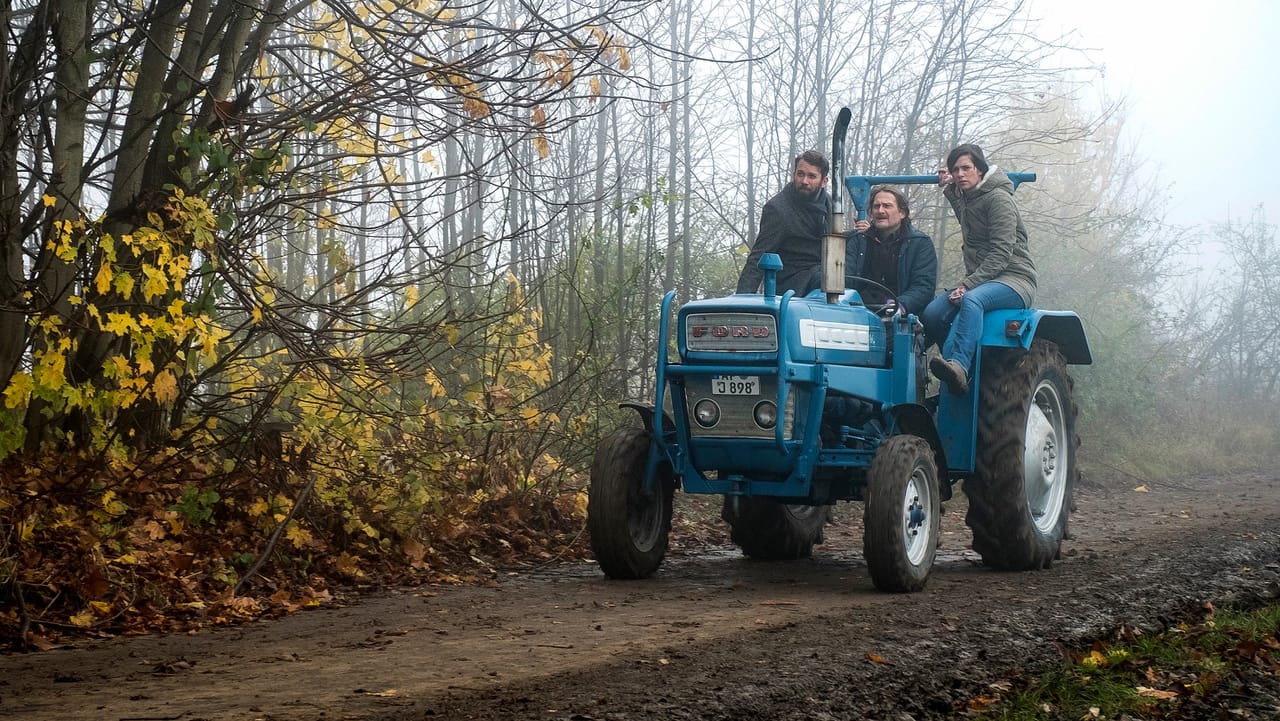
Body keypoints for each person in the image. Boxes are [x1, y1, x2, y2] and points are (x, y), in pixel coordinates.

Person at [922, 144, 1037, 395]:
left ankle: (961, 366)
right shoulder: (972, 198)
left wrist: (968, 285)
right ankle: (954, 366)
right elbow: (967, 217)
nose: (961, 174)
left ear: (980, 169)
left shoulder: (998, 198)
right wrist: (948, 189)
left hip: (1014, 279)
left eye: (966, 168)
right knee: (932, 313)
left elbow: (1001, 252)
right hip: (984, 280)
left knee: (971, 301)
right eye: (955, 170)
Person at [830, 186, 937, 316]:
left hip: (900, 316)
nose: (880, 210)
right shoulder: (858, 241)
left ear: (902, 213)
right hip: (857, 312)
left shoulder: (920, 243)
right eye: (876, 206)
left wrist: (901, 305)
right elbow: (846, 278)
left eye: (887, 206)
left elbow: (923, 287)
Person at [737, 150, 831, 294]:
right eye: (800, 174)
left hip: (825, 274)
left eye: (811, 176)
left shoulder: (831, 205)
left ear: (824, 181)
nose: (804, 181)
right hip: (793, 285)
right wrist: (742, 303)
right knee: (824, 280)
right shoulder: (779, 209)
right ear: (794, 174)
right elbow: (758, 257)